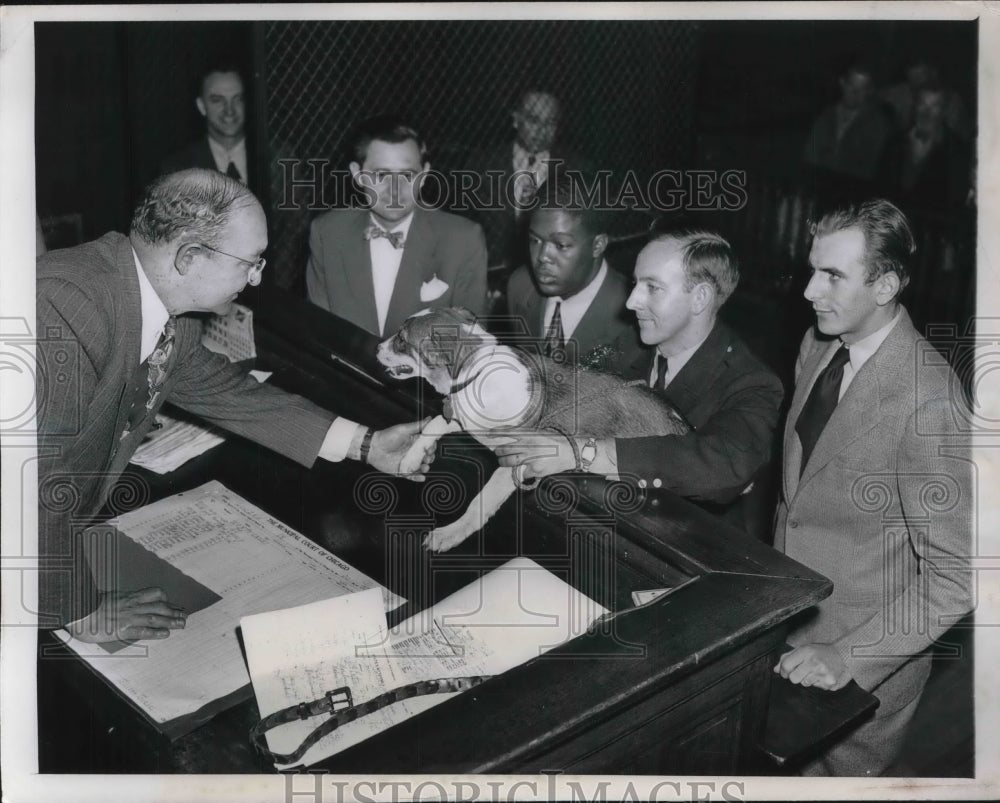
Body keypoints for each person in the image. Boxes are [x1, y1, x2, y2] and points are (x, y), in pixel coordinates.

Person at [36, 169, 435, 645]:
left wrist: (366, 445)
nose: (257, 276)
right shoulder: (63, 308)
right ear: (189, 256)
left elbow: (227, 391)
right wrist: (81, 613)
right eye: (249, 262)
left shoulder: (164, 310)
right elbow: (33, 488)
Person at [773, 199, 973, 776]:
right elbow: (801, 497)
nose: (810, 291)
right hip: (785, 631)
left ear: (885, 285)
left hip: (858, 673)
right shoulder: (817, 345)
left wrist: (849, 657)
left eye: (833, 275)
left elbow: (959, 577)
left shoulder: (929, 401)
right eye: (813, 269)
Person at [493, 231, 784, 532]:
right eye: (635, 284)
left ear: (700, 298)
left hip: (687, 550)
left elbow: (724, 465)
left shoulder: (751, 381)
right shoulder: (626, 346)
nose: (631, 301)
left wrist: (584, 452)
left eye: (653, 288)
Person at [306, 116, 488, 337]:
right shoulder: (328, 232)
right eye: (381, 175)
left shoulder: (463, 240)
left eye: (407, 175)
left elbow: (469, 346)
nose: (395, 190)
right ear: (358, 174)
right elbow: (319, 332)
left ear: (423, 175)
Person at [504, 175, 643, 363]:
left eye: (561, 245)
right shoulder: (520, 287)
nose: (543, 256)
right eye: (534, 240)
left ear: (598, 245)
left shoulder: (633, 317)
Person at [458, 89, 568, 276]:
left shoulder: (575, 170)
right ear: (516, 119)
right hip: (492, 272)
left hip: (551, 272)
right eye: (533, 120)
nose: (541, 130)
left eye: (550, 122)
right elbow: (462, 225)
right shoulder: (481, 166)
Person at [880, 84, 971, 212]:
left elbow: (955, 202)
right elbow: (881, 188)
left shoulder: (955, 149)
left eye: (935, 106)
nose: (926, 113)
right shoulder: (895, 142)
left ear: (944, 111)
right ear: (914, 106)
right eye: (922, 104)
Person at [161, 65, 251, 186]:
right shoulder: (178, 170)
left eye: (238, 99)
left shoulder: (280, 160)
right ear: (201, 106)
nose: (229, 110)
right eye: (218, 100)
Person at [803, 63, 893, 182]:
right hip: (819, 182)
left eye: (862, 88)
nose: (855, 93)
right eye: (851, 85)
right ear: (842, 83)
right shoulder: (826, 115)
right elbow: (810, 154)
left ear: (869, 91)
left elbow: (873, 168)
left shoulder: (879, 124)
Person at [880, 59, 971, 142]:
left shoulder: (952, 101)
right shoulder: (900, 93)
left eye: (920, 78)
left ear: (933, 73)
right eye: (912, 79)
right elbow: (876, 96)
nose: (916, 86)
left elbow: (962, 137)